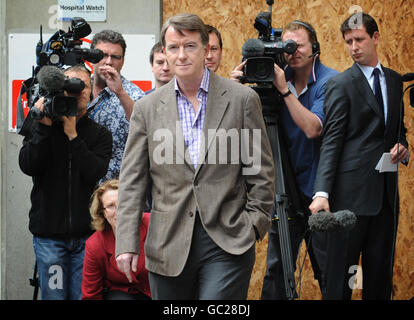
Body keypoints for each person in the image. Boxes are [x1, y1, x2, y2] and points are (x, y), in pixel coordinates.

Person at [115, 13, 275, 300]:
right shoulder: (147, 109)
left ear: (205, 50)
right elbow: (132, 182)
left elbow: (260, 172)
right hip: (167, 242)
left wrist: (254, 225)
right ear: (163, 52)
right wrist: (126, 242)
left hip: (228, 240)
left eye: (190, 46)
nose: (182, 55)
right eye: (173, 47)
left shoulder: (241, 100)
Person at [231, 20, 338, 299]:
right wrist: (233, 89)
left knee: (330, 271)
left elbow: (313, 128)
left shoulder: (330, 81)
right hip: (285, 192)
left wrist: (285, 91)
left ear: (314, 47)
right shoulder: (273, 78)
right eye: (287, 46)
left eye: (299, 45)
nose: (293, 52)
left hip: (322, 193)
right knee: (277, 271)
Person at [309, 13, 409, 300]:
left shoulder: (393, 80)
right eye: (348, 42)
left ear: (375, 38)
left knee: (378, 280)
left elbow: (397, 131)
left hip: (386, 200)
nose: (353, 47)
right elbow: (332, 141)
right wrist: (322, 192)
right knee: (342, 282)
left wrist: (403, 148)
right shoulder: (340, 85)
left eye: (359, 40)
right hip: (349, 203)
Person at [19, 64, 112, 300]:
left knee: (84, 297)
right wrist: (43, 131)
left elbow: (94, 172)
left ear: (91, 93)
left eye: (84, 87)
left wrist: (73, 136)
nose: (77, 91)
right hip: (49, 237)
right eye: (70, 85)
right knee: (55, 297)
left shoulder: (99, 134)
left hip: (86, 238)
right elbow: (28, 165)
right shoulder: (42, 124)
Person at [89, 30, 145, 182]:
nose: (108, 62)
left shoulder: (134, 95)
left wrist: (119, 92)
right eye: (102, 55)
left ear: (123, 61)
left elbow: (144, 129)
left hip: (115, 192)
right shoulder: (78, 86)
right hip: (78, 190)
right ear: (91, 57)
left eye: (115, 57)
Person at [82, 179, 151, 300]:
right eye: (110, 206)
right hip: (122, 294)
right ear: (102, 212)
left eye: (123, 203)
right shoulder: (95, 244)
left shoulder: (152, 224)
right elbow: (91, 294)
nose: (119, 211)